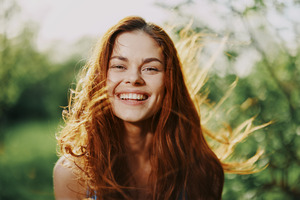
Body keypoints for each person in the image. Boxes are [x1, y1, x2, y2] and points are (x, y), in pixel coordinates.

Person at [53, 16, 225, 200]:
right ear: (101, 78)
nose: (134, 78)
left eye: (150, 69)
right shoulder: (72, 174)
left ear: (169, 81)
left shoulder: (203, 171)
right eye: (119, 66)